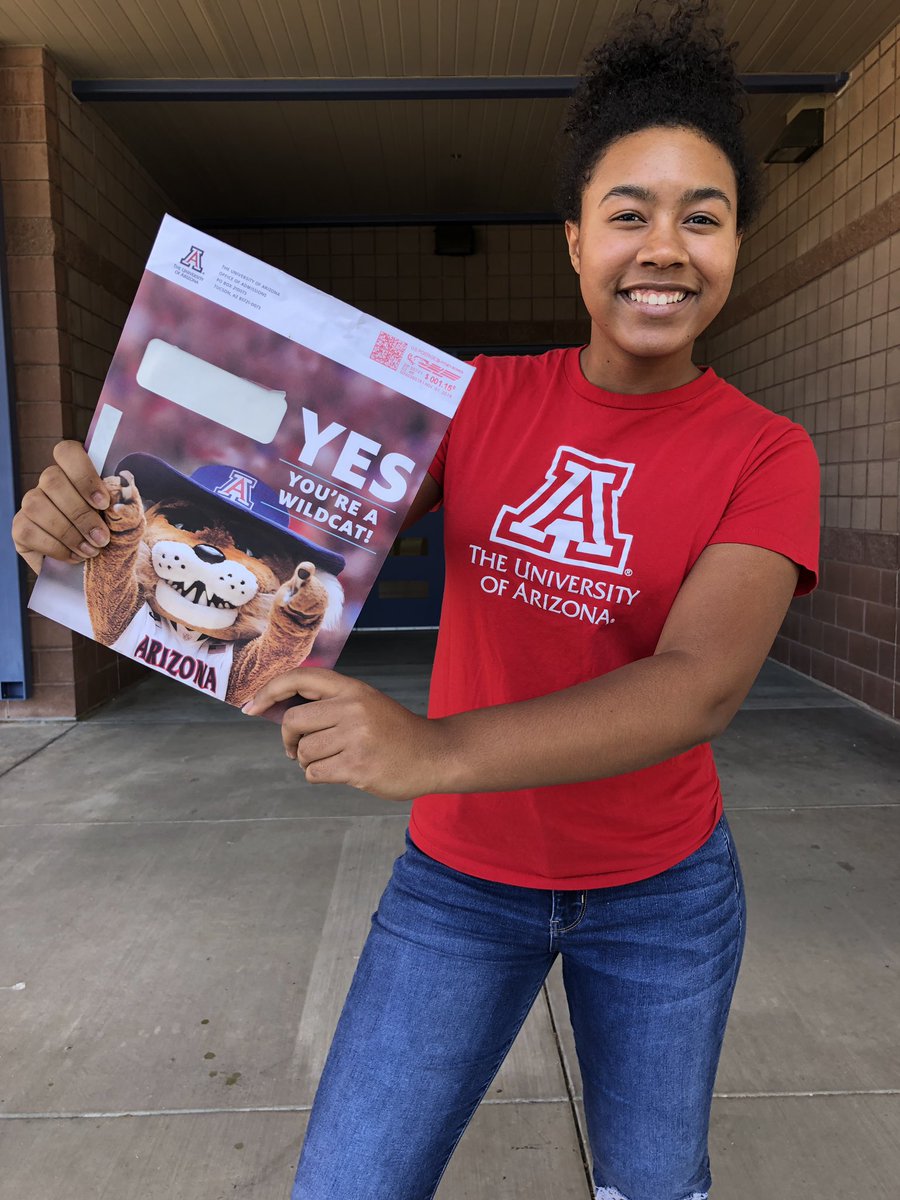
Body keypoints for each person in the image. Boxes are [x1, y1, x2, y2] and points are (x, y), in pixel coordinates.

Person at [12, 2, 820, 1197]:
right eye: (628, 213)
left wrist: (429, 746)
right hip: (461, 882)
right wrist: (97, 518)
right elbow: (289, 507)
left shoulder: (767, 453)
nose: (666, 247)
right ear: (573, 242)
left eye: (703, 218)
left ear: (738, 243)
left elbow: (695, 688)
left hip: (661, 890)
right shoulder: (481, 402)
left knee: (657, 1188)